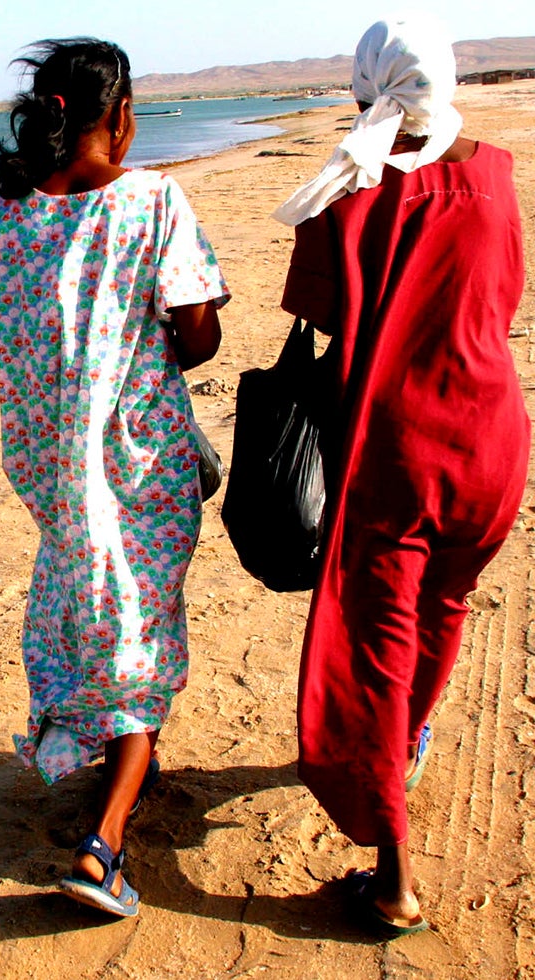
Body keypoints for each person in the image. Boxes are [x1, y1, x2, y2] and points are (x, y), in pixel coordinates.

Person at [0, 37, 226, 918]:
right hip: (141, 463)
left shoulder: (8, 217)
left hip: (55, 472)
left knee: (96, 604)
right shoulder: (153, 200)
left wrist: (47, 341)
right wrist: (164, 328)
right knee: (135, 627)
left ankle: (108, 753)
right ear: (121, 115)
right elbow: (199, 335)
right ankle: (103, 844)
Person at [274, 14, 528, 936]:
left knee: (372, 645)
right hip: (493, 438)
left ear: (363, 86)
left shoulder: (343, 194)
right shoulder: (496, 174)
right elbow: (503, 291)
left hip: (397, 446)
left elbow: (322, 315)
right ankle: (405, 743)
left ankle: (393, 877)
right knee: (444, 608)